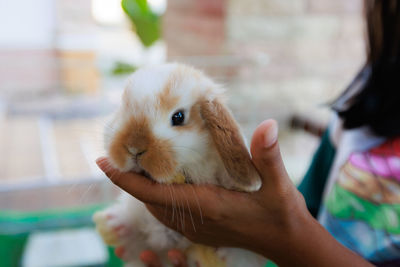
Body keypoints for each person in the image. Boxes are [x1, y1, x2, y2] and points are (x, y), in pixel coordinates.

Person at [96, 0, 400, 266]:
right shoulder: (368, 97)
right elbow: (307, 202)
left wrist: (281, 239)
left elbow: (282, 219)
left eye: (177, 118)